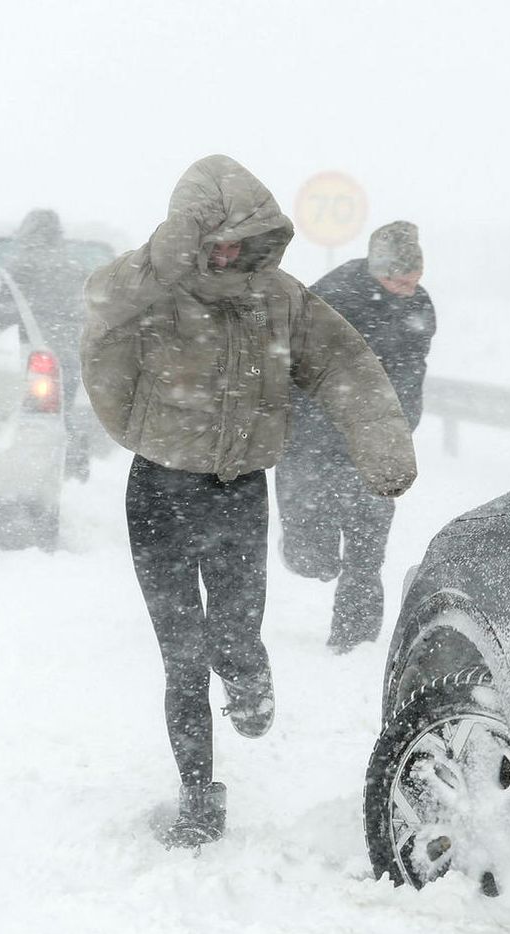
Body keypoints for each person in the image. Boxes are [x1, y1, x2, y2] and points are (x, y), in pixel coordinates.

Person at [82, 155, 417, 848]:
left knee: (231, 636)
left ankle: (248, 674)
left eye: (242, 239)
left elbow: (345, 363)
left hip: (238, 494)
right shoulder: (151, 288)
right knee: (180, 658)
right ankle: (199, 795)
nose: (230, 254)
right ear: (189, 238)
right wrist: (168, 256)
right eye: (216, 241)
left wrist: (378, 439)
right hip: (158, 493)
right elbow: (102, 300)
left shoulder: (280, 298)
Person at [277, 221, 435, 653]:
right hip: (313, 438)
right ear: (376, 270)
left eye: (414, 278)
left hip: (377, 441)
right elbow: (290, 366)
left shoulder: (420, 305)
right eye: (398, 279)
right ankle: (308, 553)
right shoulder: (332, 297)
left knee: (367, 552)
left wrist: (402, 427)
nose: (408, 287)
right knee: (311, 551)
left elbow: (411, 375)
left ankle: (355, 641)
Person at [0, 209, 93, 480]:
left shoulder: (16, 267)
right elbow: (87, 309)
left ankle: (27, 470)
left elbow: (4, 310)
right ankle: (70, 461)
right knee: (61, 411)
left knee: (27, 417)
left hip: (29, 354)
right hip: (68, 353)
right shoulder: (75, 268)